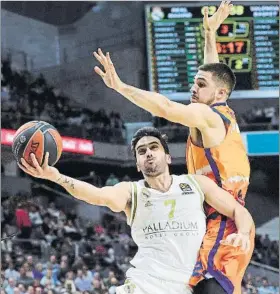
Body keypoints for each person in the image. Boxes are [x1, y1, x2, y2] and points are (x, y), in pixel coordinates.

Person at [93, 2, 255, 293]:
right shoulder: (217, 110)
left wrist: (120, 86)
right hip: (208, 220)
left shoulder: (207, 115)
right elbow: (213, 75)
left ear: (217, 93)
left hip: (225, 221)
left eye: (199, 84)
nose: (193, 88)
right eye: (193, 82)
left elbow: (166, 106)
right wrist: (209, 34)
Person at [19, 127, 254, 294]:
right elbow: (97, 195)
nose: (148, 153)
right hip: (145, 285)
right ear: (137, 163)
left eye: (153, 147)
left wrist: (243, 233)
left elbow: (237, 210)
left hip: (187, 285)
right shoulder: (132, 192)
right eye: (142, 151)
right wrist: (57, 177)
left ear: (168, 156)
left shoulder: (196, 184)